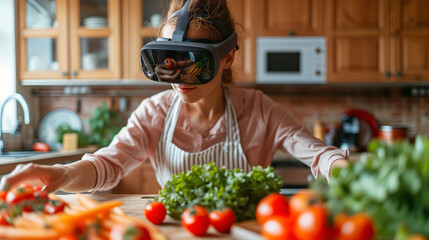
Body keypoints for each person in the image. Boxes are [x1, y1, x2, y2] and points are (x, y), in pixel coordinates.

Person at [0, 0, 348, 193]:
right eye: (166, 64)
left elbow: (319, 156)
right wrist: (62, 173)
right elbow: (110, 163)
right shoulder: (154, 112)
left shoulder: (258, 110)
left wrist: (343, 168)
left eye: (194, 63)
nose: (178, 79)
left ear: (226, 57)